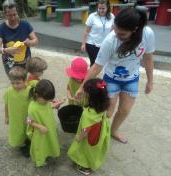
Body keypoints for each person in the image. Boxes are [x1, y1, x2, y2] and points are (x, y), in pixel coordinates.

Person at [76, 8, 155, 144]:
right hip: (112, 79)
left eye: (122, 34)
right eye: (115, 29)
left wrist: (150, 81)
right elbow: (97, 66)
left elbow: (148, 59)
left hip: (132, 79)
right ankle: (100, 131)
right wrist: (82, 86)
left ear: (135, 29)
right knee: (108, 112)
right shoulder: (110, 40)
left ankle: (113, 130)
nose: (116, 34)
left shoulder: (147, 34)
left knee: (124, 110)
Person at [68, 78, 110, 175]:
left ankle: (84, 167)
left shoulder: (88, 115)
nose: (84, 95)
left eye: (85, 94)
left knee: (84, 151)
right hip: (99, 132)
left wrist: (78, 137)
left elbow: (85, 131)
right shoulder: (103, 106)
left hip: (89, 137)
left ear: (90, 97)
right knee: (93, 150)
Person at [0, 0, 38, 75]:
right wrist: (6, 50)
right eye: (9, 15)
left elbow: (36, 40)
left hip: (25, 62)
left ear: (17, 12)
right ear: (5, 14)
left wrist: (30, 42)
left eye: (14, 14)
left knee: (24, 82)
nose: (13, 18)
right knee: (15, 83)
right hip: (10, 64)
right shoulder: (1, 28)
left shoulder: (25, 24)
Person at [26, 79, 61, 167]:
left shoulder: (44, 102)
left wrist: (55, 105)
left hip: (49, 128)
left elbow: (47, 107)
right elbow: (28, 120)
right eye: (46, 100)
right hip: (40, 133)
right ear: (37, 95)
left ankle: (48, 152)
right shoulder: (32, 107)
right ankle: (40, 160)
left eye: (49, 100)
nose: (47, 102)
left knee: (49, 142)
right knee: (41, 147)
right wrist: (39, 126)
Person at [4, 66, 31, 157]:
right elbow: (6, 105)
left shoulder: (29, 91)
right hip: (15, 117)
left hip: (27, 116)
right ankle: (22, 145)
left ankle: (28, 140)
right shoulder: (8, 91)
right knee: (18, 131)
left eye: (18, 83)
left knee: (27, 129)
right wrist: (6, 117)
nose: (15, 85)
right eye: (13, 83)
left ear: (25, 81)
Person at [81, 0, 115, 66]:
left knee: (105, 63)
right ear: (97, 8)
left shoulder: (112, 16)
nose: (101, 10)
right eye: (99, 8)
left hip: (105, 45)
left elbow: (113, 32)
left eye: (103, 8)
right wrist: (83, 44)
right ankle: (91, 76)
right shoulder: (92, 16)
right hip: (92, 44)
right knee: (94, 63)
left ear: (107, 8)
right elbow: (86, 31)